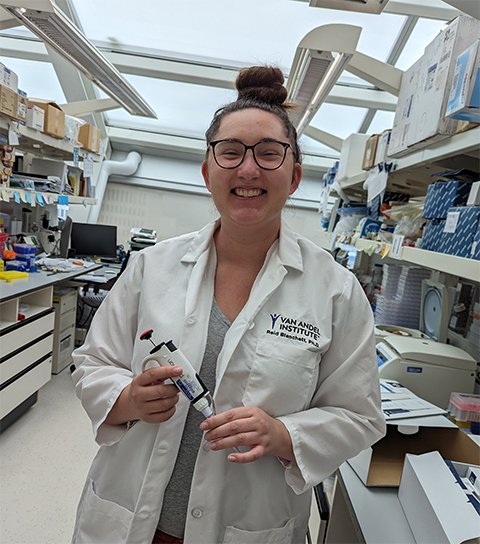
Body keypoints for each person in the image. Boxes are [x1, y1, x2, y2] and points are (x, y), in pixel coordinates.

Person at [71, 65, 386, 544]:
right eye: (231, 152)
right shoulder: (150, 268)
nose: (248, 169)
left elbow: (359, 415)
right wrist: (128, 398)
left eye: (269, 154)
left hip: (248, 527)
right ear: (207, 171)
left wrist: (283, 436)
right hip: (131, 516)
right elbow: (93, 362)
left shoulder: (336, 291)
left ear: (295, 175)